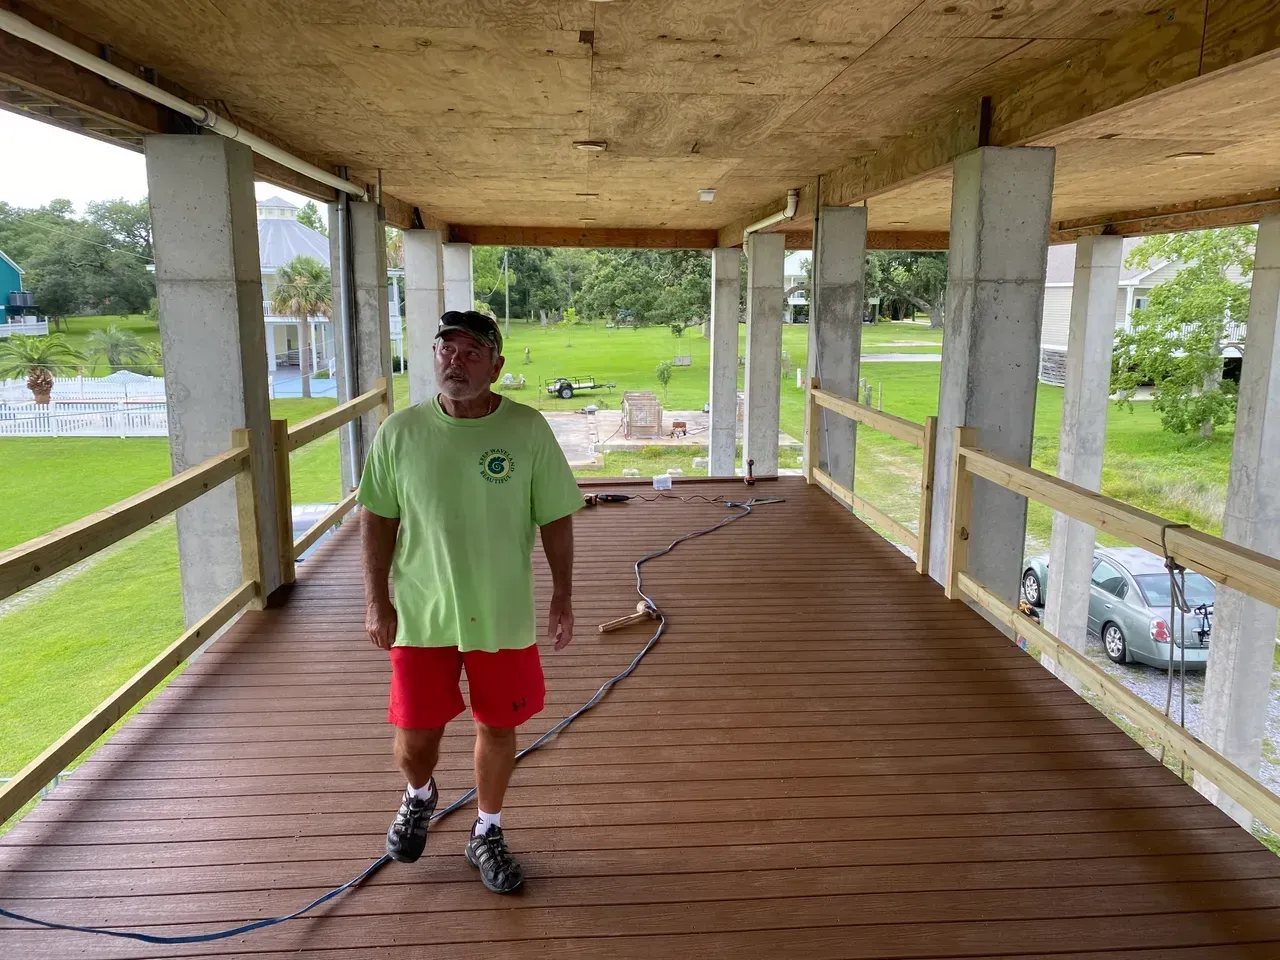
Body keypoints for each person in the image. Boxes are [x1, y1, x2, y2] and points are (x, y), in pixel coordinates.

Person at [357, 309, 582, 894]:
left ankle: (487, 828)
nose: (455, 361)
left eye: (471, 352)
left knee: (498, 725)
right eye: (446, 350)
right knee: (416, 736)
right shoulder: (400, 433)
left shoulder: (527, 429)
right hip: (421, 611)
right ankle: (419, 795)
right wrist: (376, 602)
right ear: (433, 357)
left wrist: (563, 594)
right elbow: (377, 521)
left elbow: (556, 516)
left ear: (497, 365)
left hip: (502, 610)